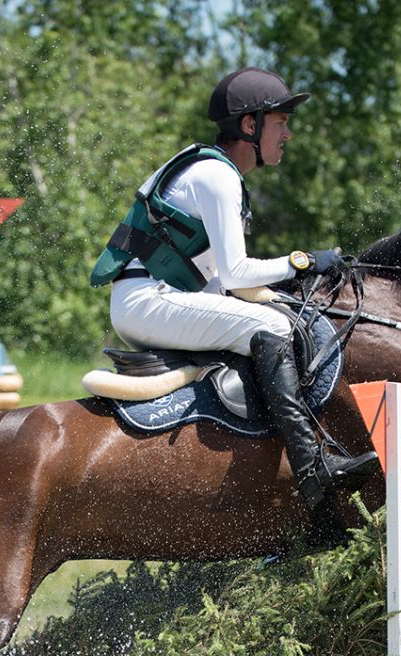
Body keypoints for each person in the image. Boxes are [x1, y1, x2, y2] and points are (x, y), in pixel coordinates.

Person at [90, 67, 379, 511]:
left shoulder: (213, 172)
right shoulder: (215, 175)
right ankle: (312, 468)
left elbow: (220, 279)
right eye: (281, 122)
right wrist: (303, 261)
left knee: (281, 313)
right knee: (271, 327)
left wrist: (287, 286)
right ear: (250, 125)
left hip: (158, 299)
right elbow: (237, 273)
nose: (288, 134)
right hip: (147, 302)